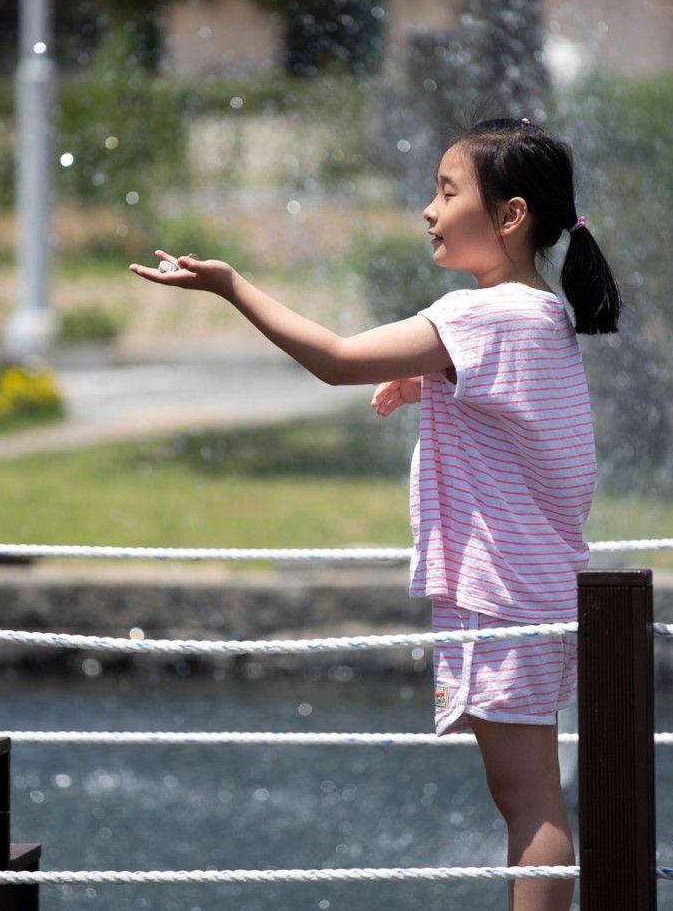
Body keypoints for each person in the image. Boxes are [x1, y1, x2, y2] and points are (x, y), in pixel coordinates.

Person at [130, 114, 623, 911]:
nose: (428, 210)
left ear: (509, 215)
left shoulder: (479, 316)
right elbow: (519, 426)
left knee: (528, 803)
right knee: (530, 794)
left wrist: (231, 286)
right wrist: (432, 377)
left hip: (502, 596)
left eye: (447, 190)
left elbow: (333, 359)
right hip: (537, 587)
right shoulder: (538, 315)